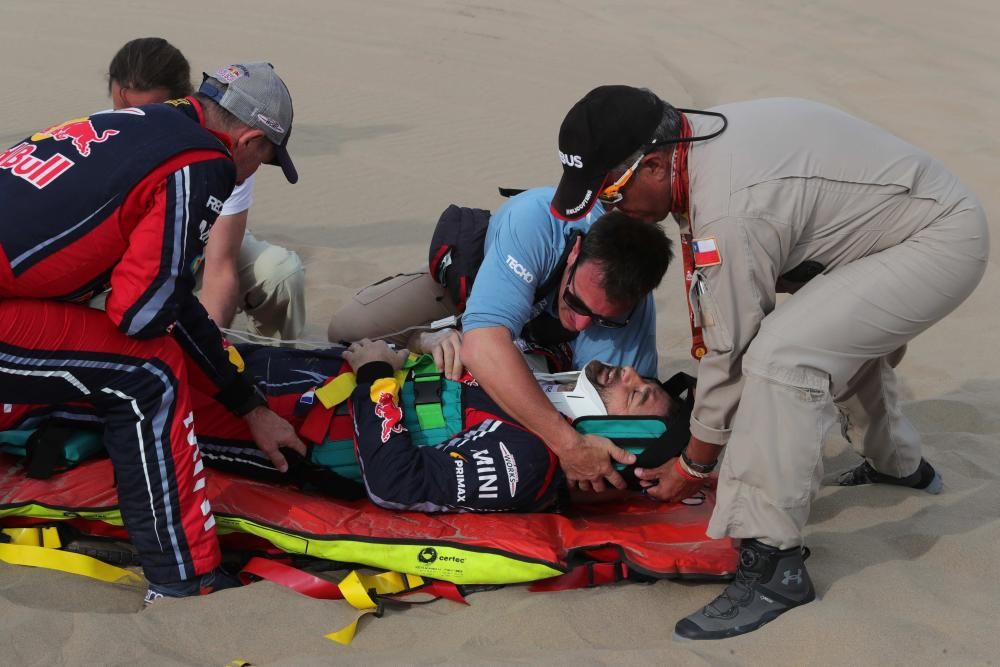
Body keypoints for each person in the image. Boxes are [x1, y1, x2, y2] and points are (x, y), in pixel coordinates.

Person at [548, 85, 989, 639]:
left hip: (937, 239)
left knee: (784, 357)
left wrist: (695, 463)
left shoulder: (729, 208)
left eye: (611, 192)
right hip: (904, 223)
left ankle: (773, 565)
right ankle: (896, 465)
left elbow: (732, 352)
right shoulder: (701, 149)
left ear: (655, 164)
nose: (613, 210)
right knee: (823, 330)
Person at [0, 61, 306, 604]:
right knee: (149, 373)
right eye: (265, 158)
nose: (256, 169)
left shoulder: (147, 120)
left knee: (146, 350)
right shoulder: (203, 162)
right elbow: (141, 315)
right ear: (251, 139)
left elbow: (167, 301)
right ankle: (182, 580)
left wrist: (247, 404)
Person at [331, 194, 673, 495]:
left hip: (532, 353)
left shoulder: (630, 315)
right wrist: (424, 338)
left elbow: (616, 425)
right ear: (575, 253)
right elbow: (482, 348)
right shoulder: (535, 224)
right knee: (348, 330)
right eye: (577, 303)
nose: (582, 324)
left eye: (602, 319)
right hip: (470, 298)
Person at [106, 38, 306, 340]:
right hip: (125, 257)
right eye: (129, 110)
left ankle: (272, 363)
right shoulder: (106, 136)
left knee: (281, 272)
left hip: (196, 241)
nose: (143, 121)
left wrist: (214, 355)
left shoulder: (229, 151)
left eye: (156, 110)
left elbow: (220, 267)